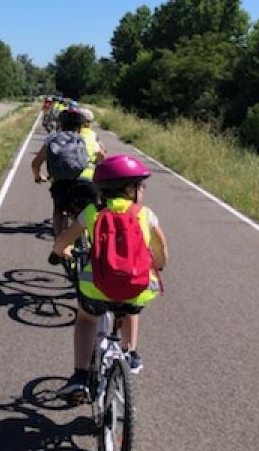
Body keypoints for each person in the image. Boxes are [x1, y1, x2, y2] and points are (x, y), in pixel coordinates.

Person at [53, 154, 168, 401]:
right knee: (131, 305)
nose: (143, 190)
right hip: (137, 286)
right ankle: (131, 353)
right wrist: (157, 265)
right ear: (130, 189)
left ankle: (80, 377)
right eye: (141, 186)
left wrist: (62, 252)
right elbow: (162, 252)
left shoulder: (92, 212)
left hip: (97, 286)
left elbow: (62, 242)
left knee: (86, 319)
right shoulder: (145, 214)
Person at [32, 108, 98, 238]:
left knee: (59, 210)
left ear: (60, 125)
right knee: (90, 210)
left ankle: (59, 245)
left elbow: (36, 164)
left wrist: (38, 176)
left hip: (61, 183)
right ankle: (94, 243)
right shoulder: (88, 139)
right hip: (87, 183)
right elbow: (102, 158)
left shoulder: (52, 139)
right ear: (81, 126)